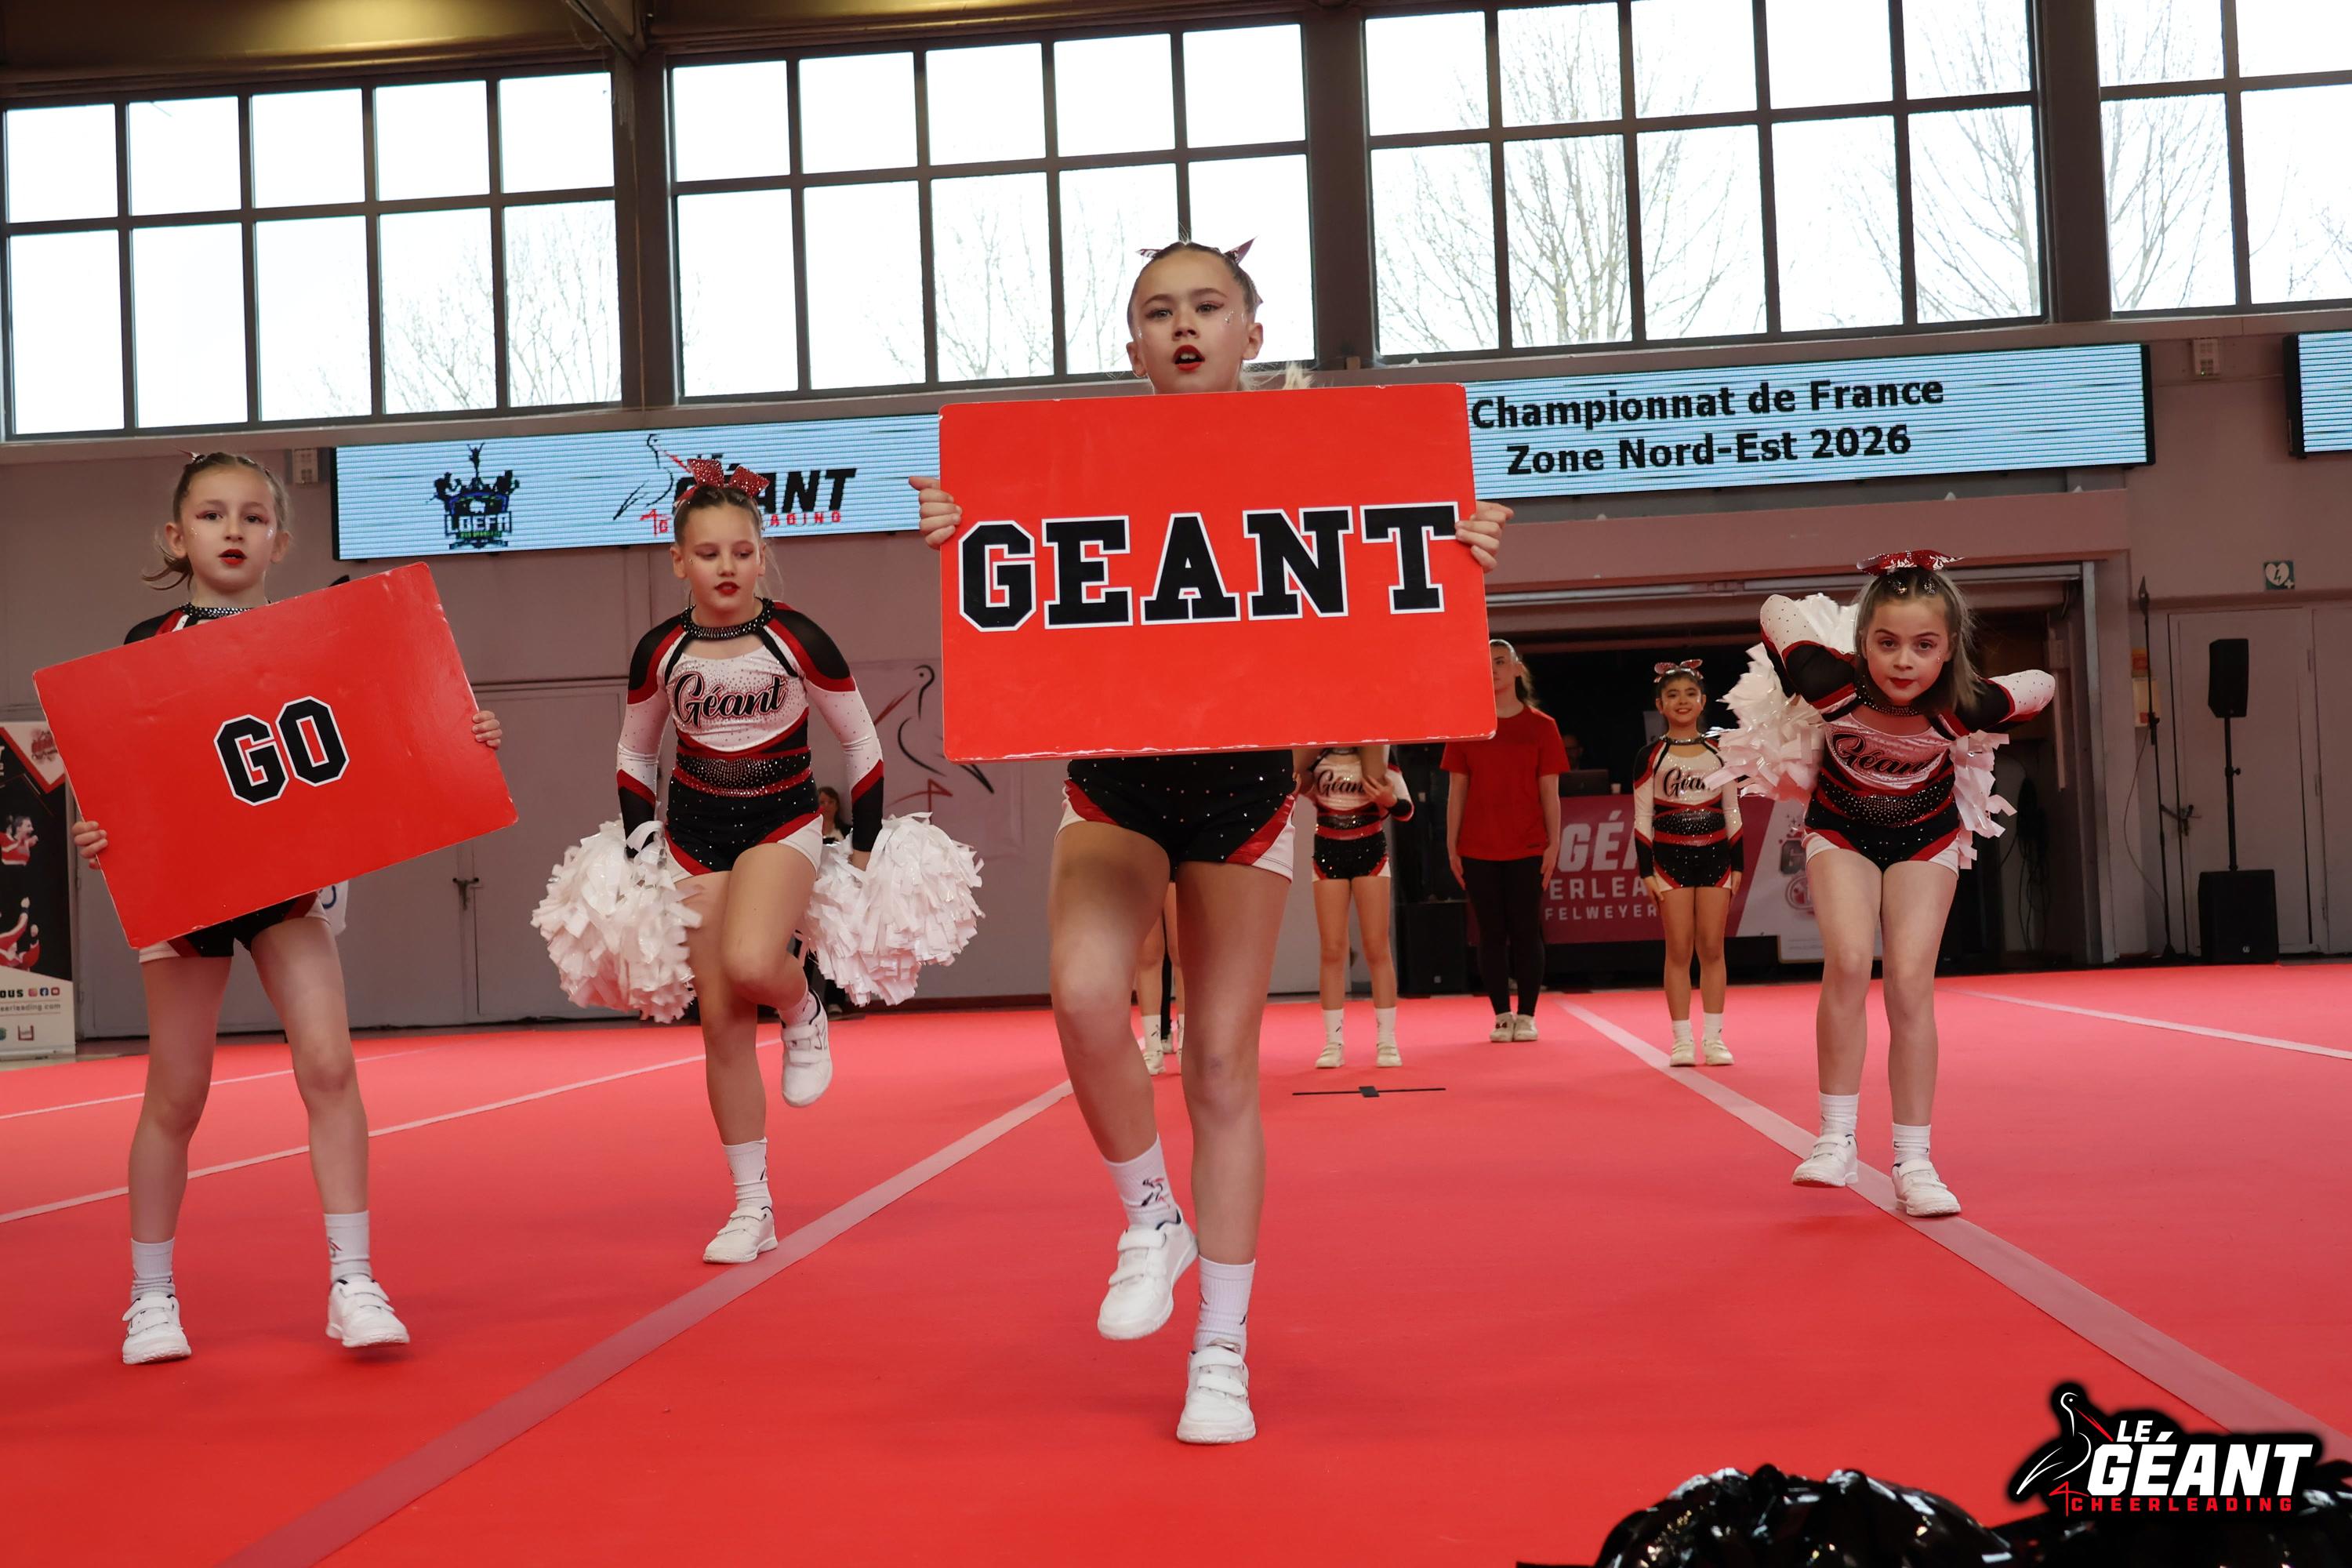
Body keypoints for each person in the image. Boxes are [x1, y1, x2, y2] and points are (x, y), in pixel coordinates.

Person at [909, 238, 1508, 1443]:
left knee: (1224, 1071)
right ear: (1132, 346)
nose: (1183, 325)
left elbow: (1380, 595)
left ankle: (1221, 1351)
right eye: (1158, 311)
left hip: (1244, 799)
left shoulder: (1320, 464)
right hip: (1116, 788)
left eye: (1208, 305)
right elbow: (1017, 580)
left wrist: (1457, 555)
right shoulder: (1070, 470)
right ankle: (1150, 1217)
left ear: (1251, 333)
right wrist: (967, 530)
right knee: (1087, 994)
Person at [72, 452, 503, 1365]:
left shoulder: (320, 639)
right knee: (177, 1091)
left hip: (288, 880)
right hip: (186, 885)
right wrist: (100, 827)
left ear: (281, 538)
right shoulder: (145, 642)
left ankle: (354, 1281)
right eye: (212, 515)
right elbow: (124, 773)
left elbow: (388, 727)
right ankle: (150, 1295)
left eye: (253, 516)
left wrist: (458, 732)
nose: (233, 530)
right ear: (175, 536)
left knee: (330, 1065)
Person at [615, 463, 882, 1263]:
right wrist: (639, 841)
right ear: (678, 560)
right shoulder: (661, 650)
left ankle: (804, 1010)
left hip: (783, 821)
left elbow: (860, 740)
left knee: (753, 960)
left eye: (740, 551)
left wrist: (863, 841)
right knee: (722, 1022)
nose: (725, 567)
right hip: (694, 832)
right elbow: (635, 753)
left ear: (762, 555)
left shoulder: (797, 638)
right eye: (707, 554)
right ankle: (751, 1205)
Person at [1754, 552, 2052, 1217]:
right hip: (1841, 830)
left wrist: (1994, 699)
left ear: (1950, 648)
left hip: (1927, 837)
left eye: (1924, 645)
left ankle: (1914, 1161)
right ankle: (1834, 1139)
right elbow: (1774, 608)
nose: (1904, 662)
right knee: (1848, 960)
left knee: (1911, 982)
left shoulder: (1965, 706)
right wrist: (1791, 659)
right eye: (1886, 643)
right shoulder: (1828, 683)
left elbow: (2043, 684)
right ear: (1861, 641)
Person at [1443, 641, 1565, 1044]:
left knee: (1527, 930)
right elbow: (1457, 791)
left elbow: (1550, 792)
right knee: (1490, 932)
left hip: (1528, 845)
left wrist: (1553, 844)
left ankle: (1527, 1014)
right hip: (1477, 846)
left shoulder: (1542, 727)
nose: (1493, 669)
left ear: (1516, 669)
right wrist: (1451, 843)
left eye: (1500, 661)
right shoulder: (1466, 727)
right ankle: (1500, 1015)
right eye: (1486, 663)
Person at [1633, 661, 1742, 1067]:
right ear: (1660, 704)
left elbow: (1732, 810)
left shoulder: (1721, 752)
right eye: (1673, 695)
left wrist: (1738, 864)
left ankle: (1714, 1039)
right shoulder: (1650, 756)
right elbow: (1642, 816)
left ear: (1703, 701)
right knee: (1678, 949)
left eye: (1690, 694)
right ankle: (1682, 1040)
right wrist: (1646, 870)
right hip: (1669, 861)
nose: (1682, 701)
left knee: (1712, 948)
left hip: (1716, 858)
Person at [1305, 745, 1413, 1069]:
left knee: (1377, 947)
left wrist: (1389, 801)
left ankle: (1387, 1041)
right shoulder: (1316, 751)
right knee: (1332, 950)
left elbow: (1406, 810)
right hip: (1327, 851)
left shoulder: (1379, 751)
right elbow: (1294, 786)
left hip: (1371, 850)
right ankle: (1333, 1043)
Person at [1134, 885, 1183, 1075]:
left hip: (1178, 871)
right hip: (1144, 870)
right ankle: (1153, 1049)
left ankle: (1186, 1047)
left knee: (1181, 950)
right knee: (1147, 953)